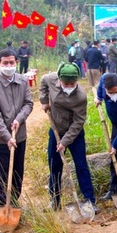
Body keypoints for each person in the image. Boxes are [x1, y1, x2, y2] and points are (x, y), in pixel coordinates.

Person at [40, 63, 97, 211]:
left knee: (81, 165)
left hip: (74, 133)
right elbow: (43, 81)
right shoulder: (51, 79)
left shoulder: (80, 97)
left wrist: (65, 142)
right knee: (55, 166)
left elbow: (79, 122)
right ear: (59, 80)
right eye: (66, 84)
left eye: (73, 84)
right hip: (56, 130)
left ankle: (89, 200)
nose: (70, 86)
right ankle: (55, 201)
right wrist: (44, 100)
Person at [0, 49, 34, 209]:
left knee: (17, 171)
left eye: (11, 62)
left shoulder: (22, 81)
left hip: (19, 135)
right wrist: (7, 137)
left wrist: (19, 120)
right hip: (0, 139)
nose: (8, 65)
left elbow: (28, 103)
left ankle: (13, 202)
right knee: (1, 173)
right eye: (5, 63)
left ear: (16, 63)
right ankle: (0, 205)